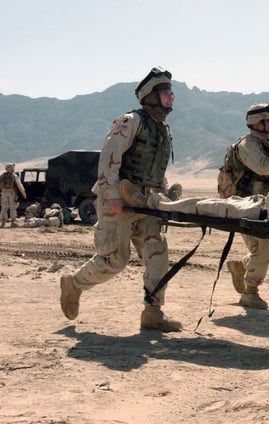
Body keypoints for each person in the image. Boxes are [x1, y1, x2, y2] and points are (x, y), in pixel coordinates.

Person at [59, 66, 184, 332]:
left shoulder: (162, 128)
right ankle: (74, 284)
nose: (171, 97)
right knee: (116, 259)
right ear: (151, 95)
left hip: (146, 202)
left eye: (171, 92)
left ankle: (153, 312)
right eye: (166, 92)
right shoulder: (130, 121)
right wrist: (112, 196)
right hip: (120, 200)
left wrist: (161, 196)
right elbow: (108, 161)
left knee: (157, 253)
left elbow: (156, 170)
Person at [224, 103, 269, 310]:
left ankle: (241, 267)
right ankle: (250, 293)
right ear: (257, 123)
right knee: (261, 249)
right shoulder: (248, 144)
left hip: (266, 204)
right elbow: (262, 166)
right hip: (245, 204)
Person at [0, 163, 27, 228]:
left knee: (4, 208)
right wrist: (24, 193)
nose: (13, 169)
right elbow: (19, 185)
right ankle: (13, 223)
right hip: (12, 193)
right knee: (13, 208)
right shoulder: (14, 176)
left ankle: (2, 223)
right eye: (12, 168)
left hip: (4, 193)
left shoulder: (2, 176)